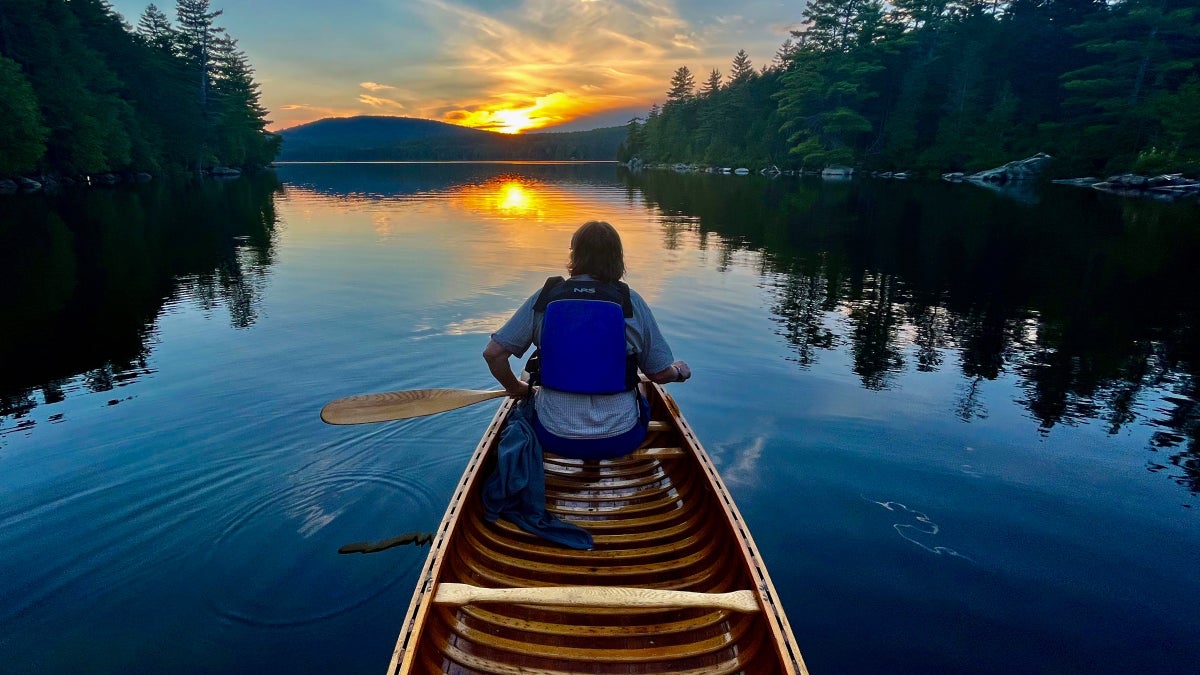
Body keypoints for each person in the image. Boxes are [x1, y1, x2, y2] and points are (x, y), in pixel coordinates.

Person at [483, 220, 691, 460]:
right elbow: (658, 374)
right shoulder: (631, 302)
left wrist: (515, 389)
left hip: (552, 436)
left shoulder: (545, 298)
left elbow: (494, 354)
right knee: (642, 384)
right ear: (618, 259)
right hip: (621, 438)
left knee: (527, 376)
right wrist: (678, 372)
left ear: (575, 256)